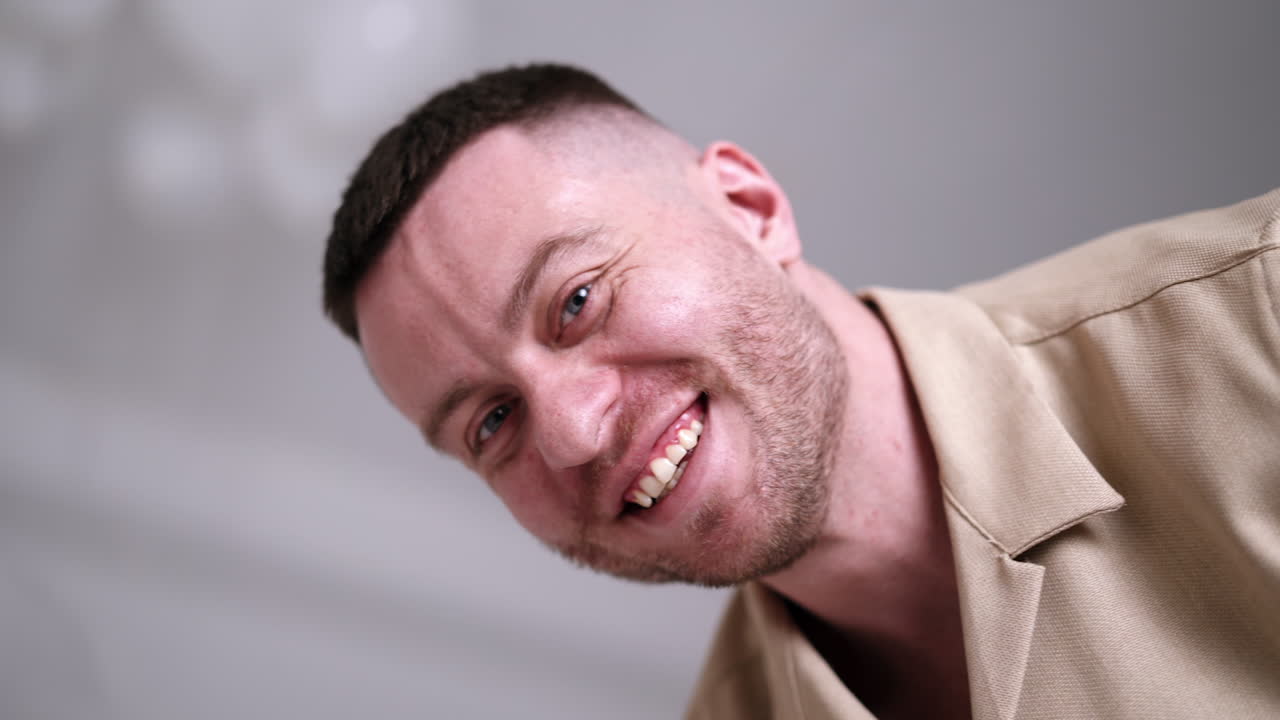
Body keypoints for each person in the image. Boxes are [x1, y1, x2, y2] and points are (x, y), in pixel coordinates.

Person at [322, 64, 1280, 719]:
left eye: (576, 301)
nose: (571, 433)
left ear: (751, 208)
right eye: (493, 421)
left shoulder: (1256, 324)